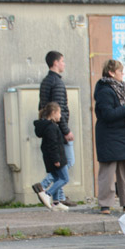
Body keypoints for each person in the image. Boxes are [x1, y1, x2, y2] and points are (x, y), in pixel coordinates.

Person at [94, 59, 125, 215]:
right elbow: (107, 114)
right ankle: (105, 204)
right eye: (120, 71)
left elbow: (123, 110)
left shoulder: (122, 88)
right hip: (109, 135)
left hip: (122, 134)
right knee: (108, 170)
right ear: (111, 72)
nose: (123, 74)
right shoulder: (104, 90)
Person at [33, 51, 76, 208]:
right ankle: (44, 187)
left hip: (52, 128)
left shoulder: (46, 81)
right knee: (67, 162)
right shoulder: (57, 83)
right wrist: (66, 130)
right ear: (56, 63)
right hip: (58, 131)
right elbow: (59, 108)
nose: (64, 64)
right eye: (62, 61)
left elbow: (43, 105)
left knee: (61, 164)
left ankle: (59, 199)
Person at [33, 102, 69, 211]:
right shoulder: (51, 127)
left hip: (49, 158)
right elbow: (53, 145)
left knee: (57, 178)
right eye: (59, 113)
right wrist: (56, 159)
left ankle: (56, 202)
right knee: (64, 179)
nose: (60, 116)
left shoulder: (48, 126)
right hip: (56, 158)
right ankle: (47, 194)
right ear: (53, 113)